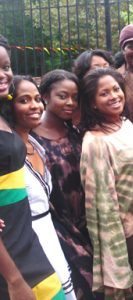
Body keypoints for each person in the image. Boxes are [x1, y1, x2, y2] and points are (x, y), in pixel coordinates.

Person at [79, 68, 133, 299]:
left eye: (116, 89)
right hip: (123, 230)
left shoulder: (124, 123)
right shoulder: (95, 142)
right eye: (104, 93)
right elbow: (102, 202)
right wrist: (115, 250)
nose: (114, 96)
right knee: (130, 291)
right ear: (93, 103)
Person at [0, 34, 65, 300]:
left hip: (25, 241)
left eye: (5, 66)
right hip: (9, 260)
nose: (3, 74)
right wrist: (14, 280)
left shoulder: (4, 115)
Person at [9, 75, 76, 299]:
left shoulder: (35, 144)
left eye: (37, 98)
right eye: (24, 100)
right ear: (9, 106)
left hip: (49, 236)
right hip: (24, 244)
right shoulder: (7, 156)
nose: (35, 106)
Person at [31, 70, 95, 299]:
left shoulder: (76, 133)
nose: (70, 102)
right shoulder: (30, 137)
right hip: (57, 225)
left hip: (86, 222)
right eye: (62, 96)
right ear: (45, 96)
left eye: (74, 97)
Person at [72, 49, 114, 126]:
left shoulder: (116, 95)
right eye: (96, 69)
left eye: (106, 67)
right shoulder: (76, 101)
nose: (103, 72)